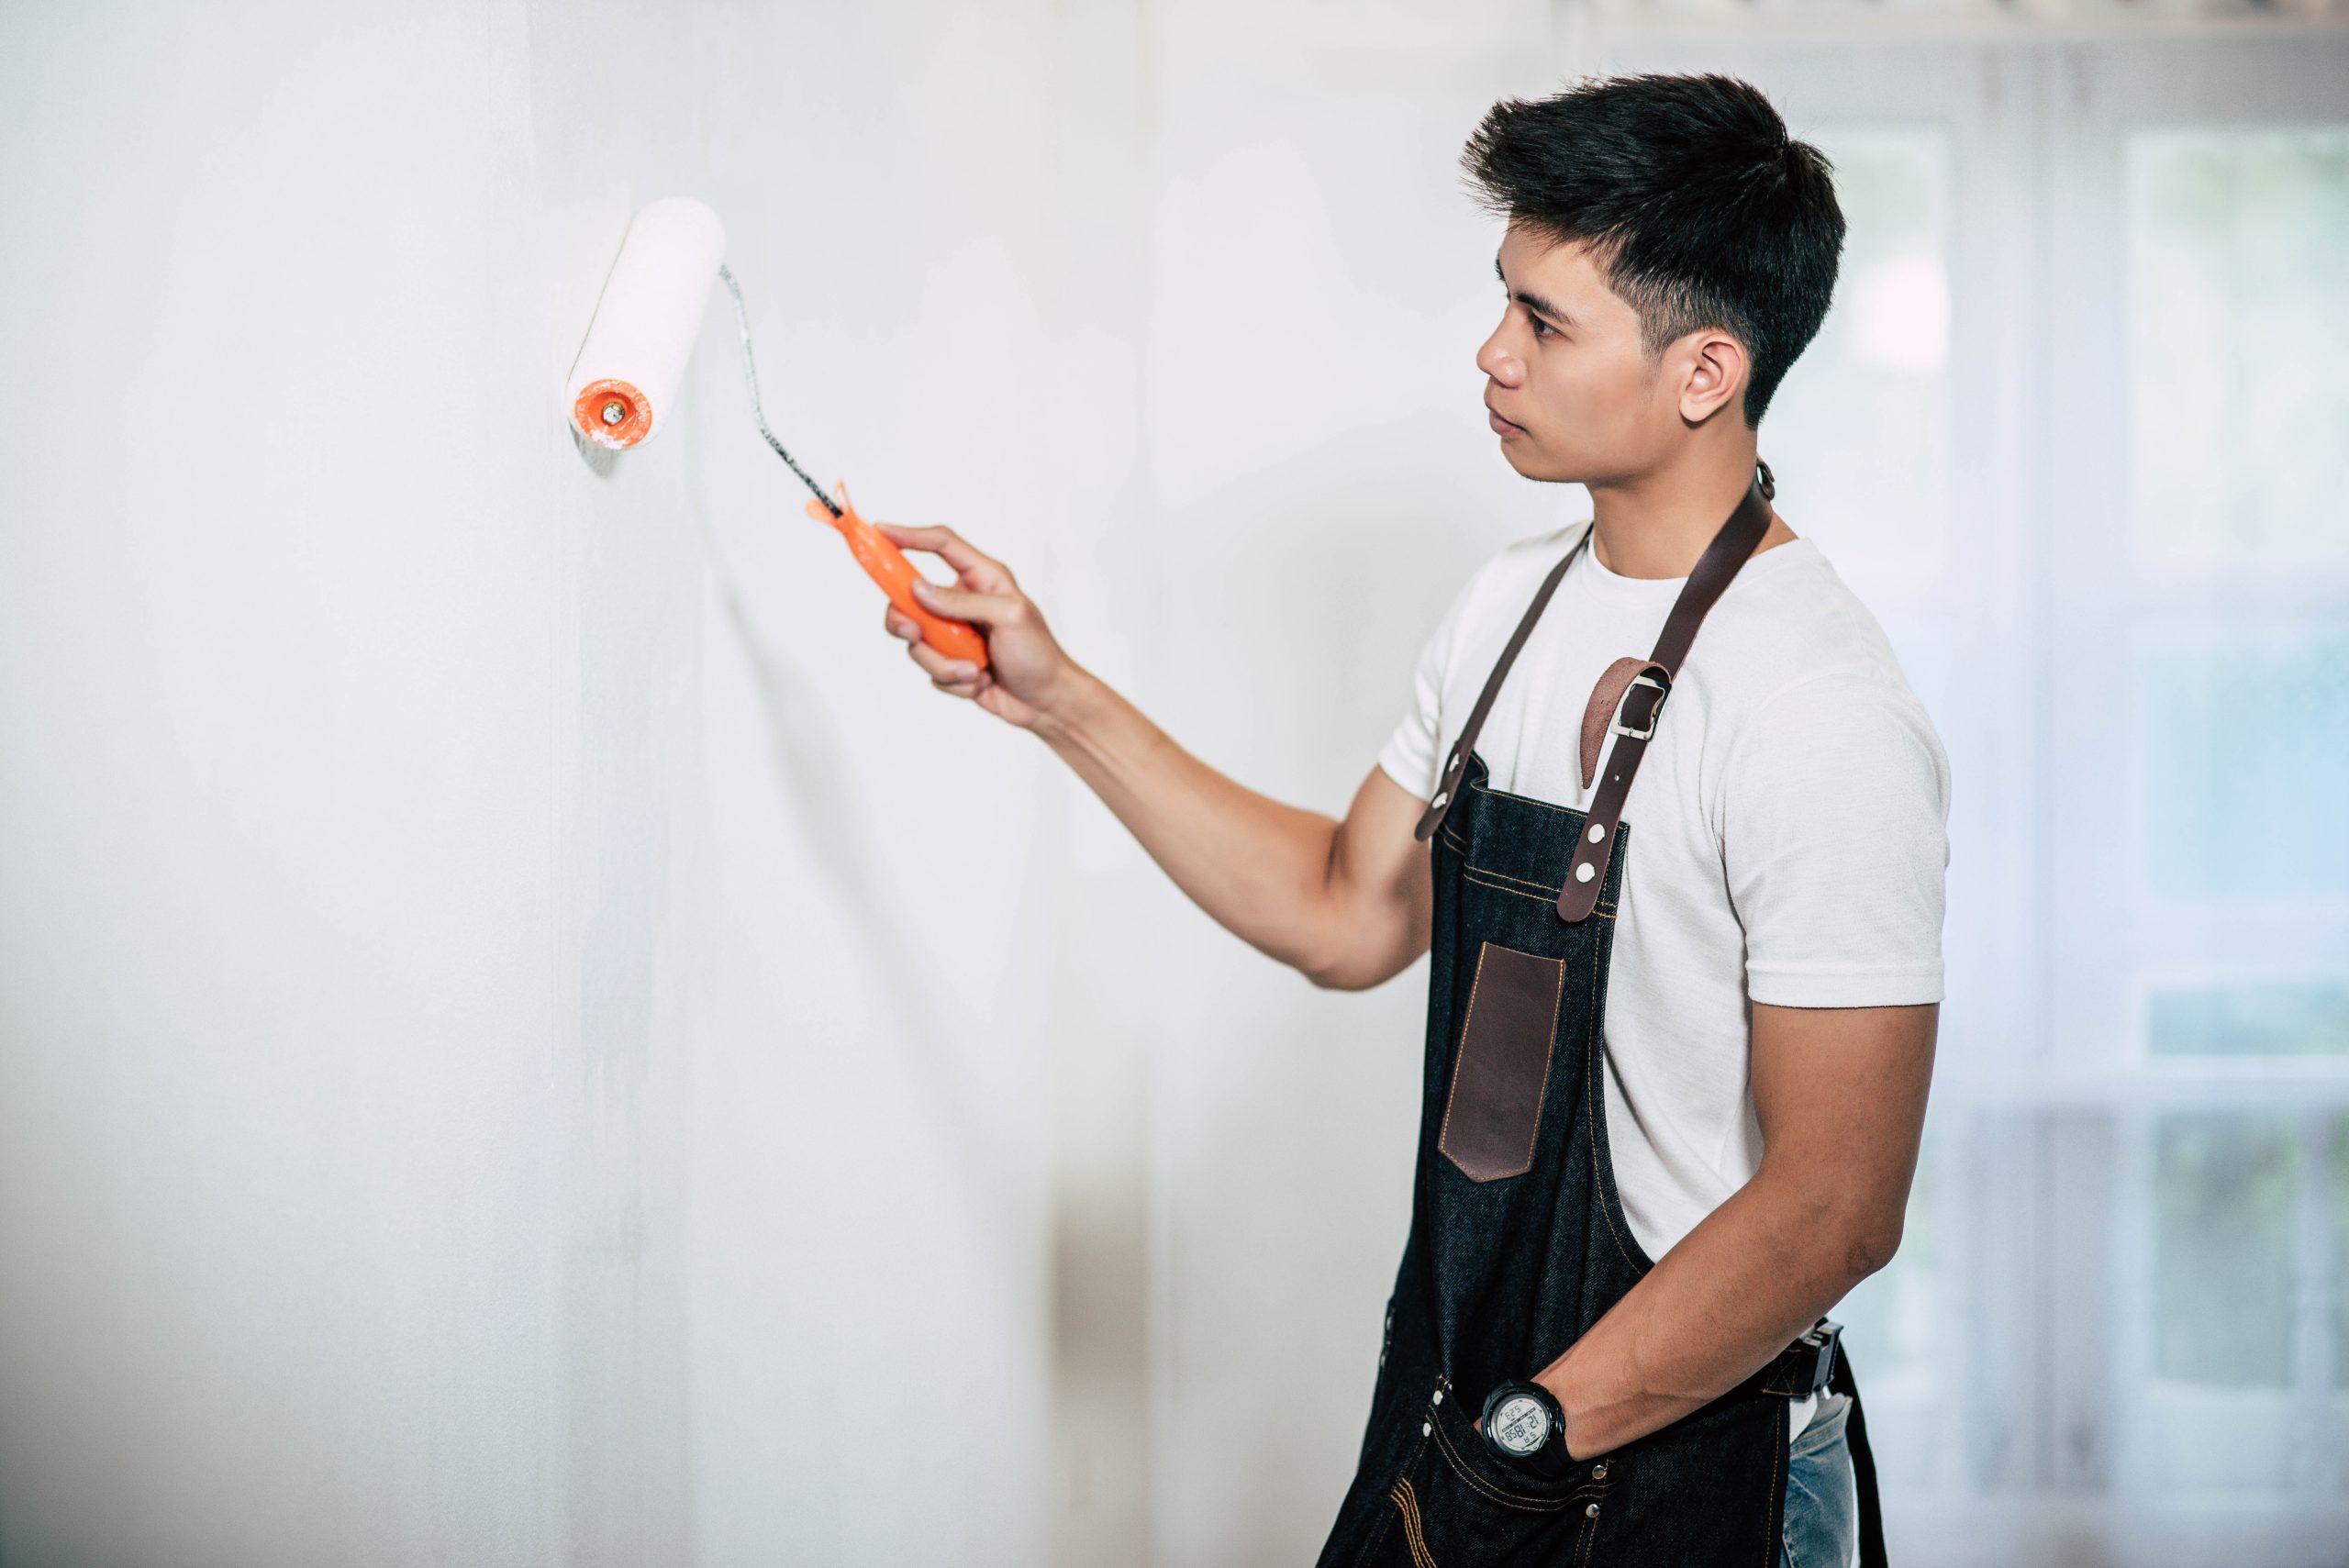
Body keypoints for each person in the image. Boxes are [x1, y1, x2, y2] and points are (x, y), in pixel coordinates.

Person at [874, 72, 1945, 1568]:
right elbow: (1345, 907)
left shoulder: (1819, 707)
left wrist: (1528, 1441)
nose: (1492, 354)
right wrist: (1052, 694)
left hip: (1688, 1464)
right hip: (1470, 1402)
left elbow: (1836, 1202)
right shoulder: (1510, 604)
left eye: (1546, 322)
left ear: (1706, 367)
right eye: (1502, 300)